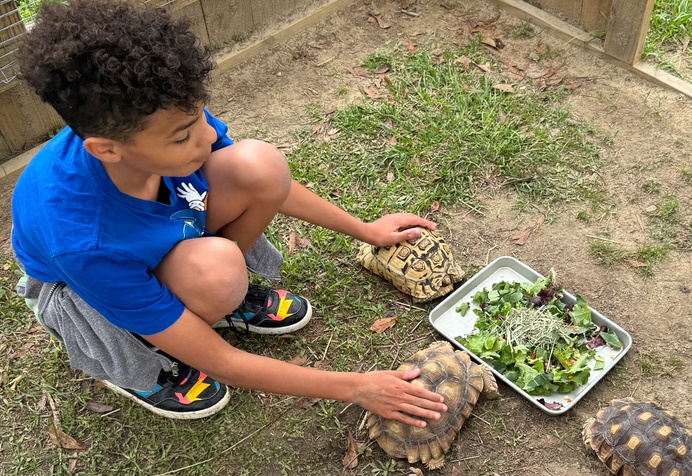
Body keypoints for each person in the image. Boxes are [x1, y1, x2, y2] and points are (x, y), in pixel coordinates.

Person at [10, 0, 448, 425]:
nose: (206, 139)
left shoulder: (161, 109)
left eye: (201, 117)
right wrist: (353, 387)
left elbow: (267, 184)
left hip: (158, 235)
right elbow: (221, 362)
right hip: (86, 289)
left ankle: (205, 303)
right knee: (218, 273)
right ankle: (140, 347)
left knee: (260, 163)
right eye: (183, 137)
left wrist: (365, 230)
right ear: (107, 149)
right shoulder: (82, 239)